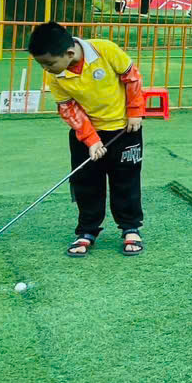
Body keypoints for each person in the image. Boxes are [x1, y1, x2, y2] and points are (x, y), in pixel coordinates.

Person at [27, 21, 145, 257]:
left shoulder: (105, 50)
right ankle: (87, 231)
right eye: (42, 65)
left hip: (124, 129)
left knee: (126, 180)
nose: (46, 69)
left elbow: (131, 77)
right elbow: (68, 108)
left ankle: (130, 228)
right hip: (86, 133)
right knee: (86, 183)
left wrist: (135, 111)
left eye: (49, 63)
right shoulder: (56, 77)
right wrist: (91, 139)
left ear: (69, 53)